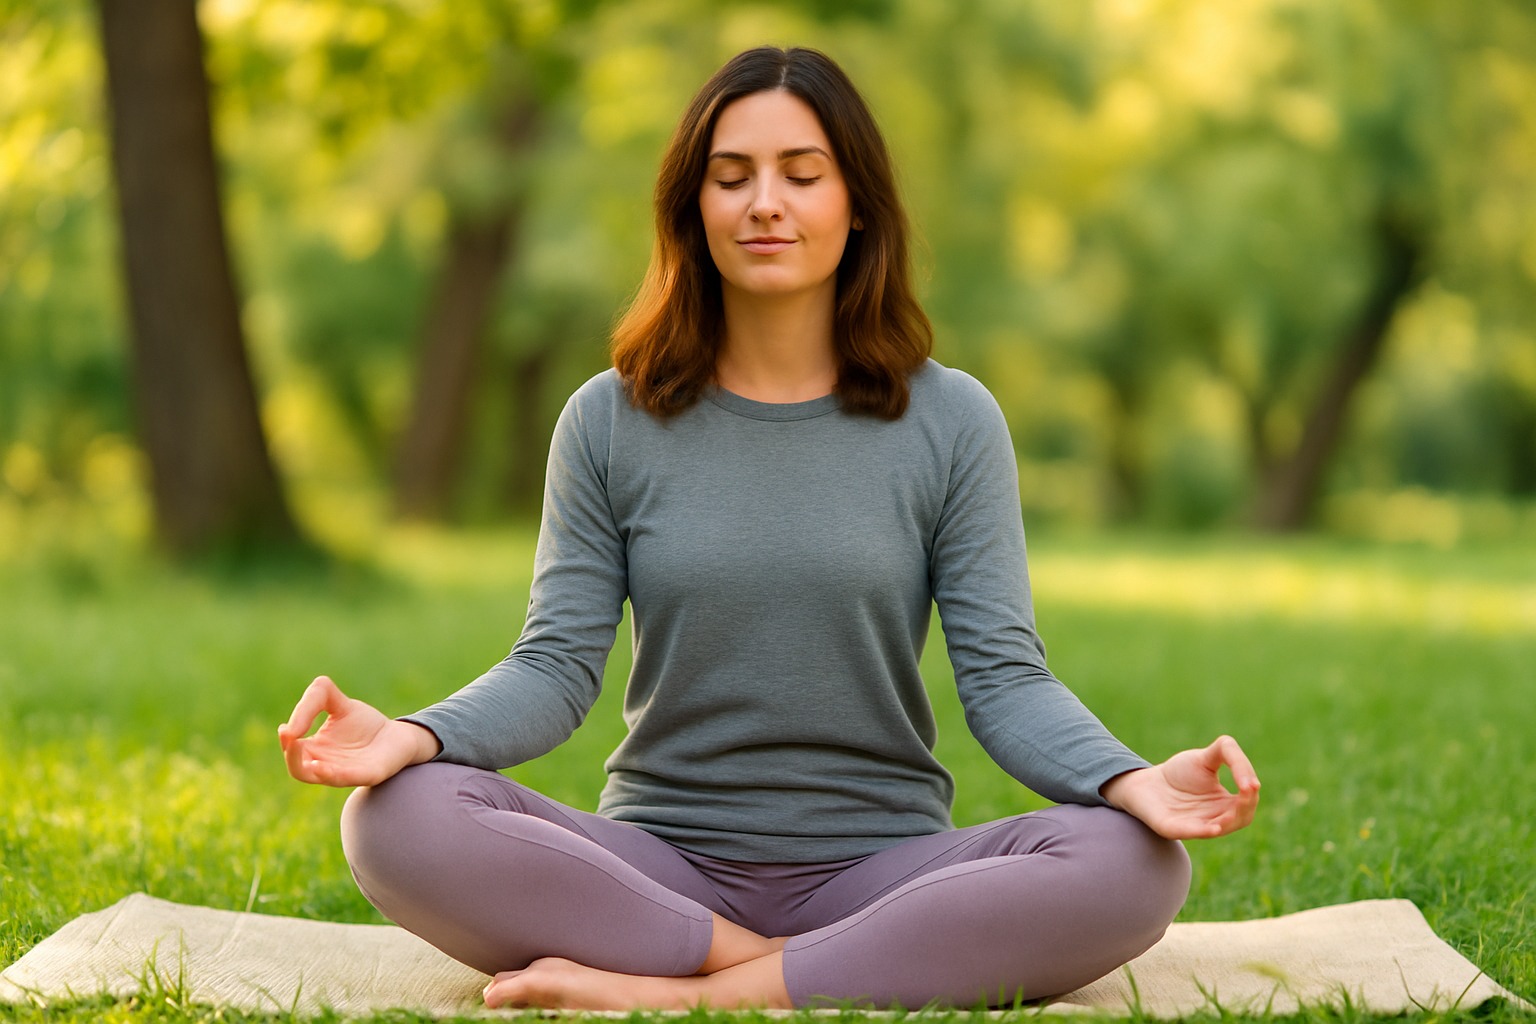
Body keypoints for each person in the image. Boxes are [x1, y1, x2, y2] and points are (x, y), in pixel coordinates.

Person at [279, 45, 1260, 1012]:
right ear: (692, 207)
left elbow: (1005, 680)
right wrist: (414, 735)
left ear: (857, 203)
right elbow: (553, 668)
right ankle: (793, 965)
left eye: (802, 173)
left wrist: (1127, 778)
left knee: (1134, 862)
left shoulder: (953, 421)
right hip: (658, 873)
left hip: (884, 870)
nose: (764, 203)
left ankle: (683, 995)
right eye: (731, 176)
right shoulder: (608, 419)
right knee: (394, 819)